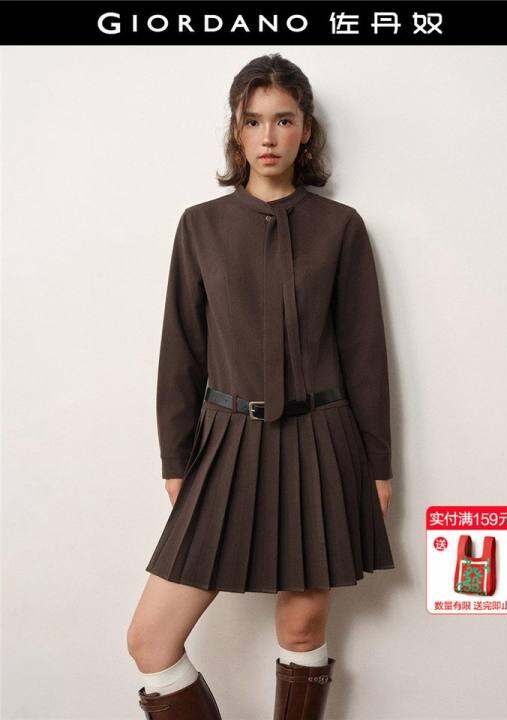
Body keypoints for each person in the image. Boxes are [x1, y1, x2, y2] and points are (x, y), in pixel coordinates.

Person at [127, 52, 395, 720]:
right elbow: (180, 351)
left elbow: (366, 355)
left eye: (283, 119)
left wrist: (378, 467)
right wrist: (175, 459)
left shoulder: (341, 228)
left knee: (302, 632)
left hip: (322, 445)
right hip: (224, 446)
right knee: (151, 640)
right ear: (236, 132)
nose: (268, 136)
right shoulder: (200, 225)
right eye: (253, 121)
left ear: (306, 131)